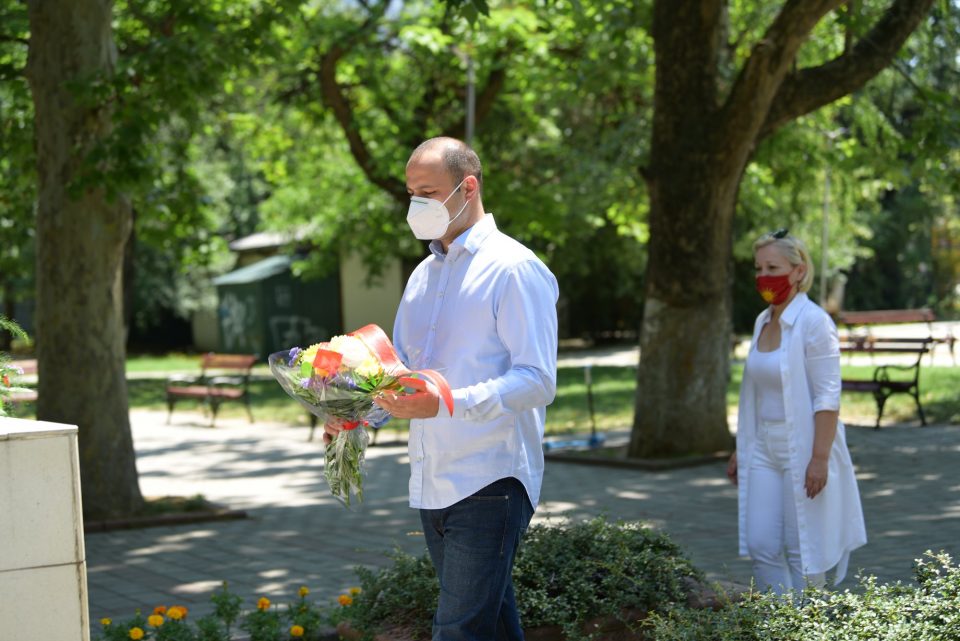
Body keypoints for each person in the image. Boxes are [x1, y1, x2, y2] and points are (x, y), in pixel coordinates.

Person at [325, 137, 559, 640]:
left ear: (467, 187)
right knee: (490, 626)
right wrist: (356, 414)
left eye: (427, 192)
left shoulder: (515, 268)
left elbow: (537, 379)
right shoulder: (422, 276)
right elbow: (402, 374)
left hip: (491, 479)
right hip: (433, 479)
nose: (417, 206)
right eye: (412, 194)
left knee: (457, 630)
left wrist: (448, 403)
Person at [726, 229, 866, 595]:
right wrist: (741, 448)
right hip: (762, 448)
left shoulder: (815, 322)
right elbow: (755, 393)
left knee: (802, 548)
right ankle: (781, 625)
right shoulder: (762, 321)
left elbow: (827, 397)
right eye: (758, 267)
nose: (762, 276)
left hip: (803, 448)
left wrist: (819, 458)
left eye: (773, 266)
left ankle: (807, 626)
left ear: (799, 271)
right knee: (761, 545)